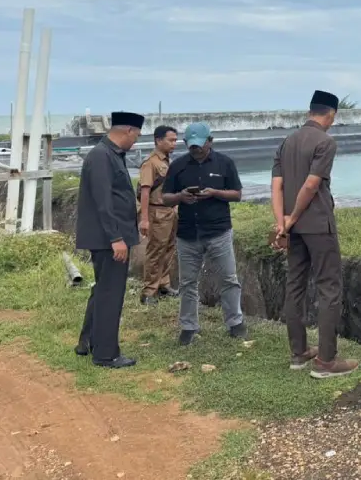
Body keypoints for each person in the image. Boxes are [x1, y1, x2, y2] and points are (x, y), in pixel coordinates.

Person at [271, 90, 359, 379]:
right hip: (318, 225)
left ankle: (298, 353)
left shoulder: (287, 141)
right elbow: (310, 186)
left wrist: (282, 223)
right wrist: (294, 216)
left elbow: (277, 187)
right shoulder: (326, 142)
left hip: (293, 228)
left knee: (295, 286)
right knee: (328, 288)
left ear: (310, 110)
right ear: (331, 114)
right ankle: (326, 360)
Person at [161, 122, 247, 346]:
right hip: (188, 233)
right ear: (185, 144)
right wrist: (181, 196)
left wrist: (215, 193)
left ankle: (235, 322)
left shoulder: (225, 163)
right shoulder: (178, 166)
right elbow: (165, 197)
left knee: (229, 278)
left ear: (210, 141)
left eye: (199, 145)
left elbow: (237, 194)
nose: (196, 149)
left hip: (218, 231)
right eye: (191, 146)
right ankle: (188, 326)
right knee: (188, 282)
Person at [74, 111, 144, 369]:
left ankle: (87, 342)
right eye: (136, 135)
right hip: (109, 239)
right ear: (127, 130)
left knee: (102, 290)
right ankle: (105, 354)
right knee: (111, 294)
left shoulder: (108, 154)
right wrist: (116, 238)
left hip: (107, 236)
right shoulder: (102, 157)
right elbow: (104, 202)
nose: (136, 141)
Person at [138, 125, 179, 305]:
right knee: (155, 250)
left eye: (175, 140)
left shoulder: (167, 161)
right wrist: (145, 219)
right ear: (158, 140)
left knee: (169, 248)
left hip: (170, 211)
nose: (174, 144)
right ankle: (149, 291)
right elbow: (145, 191)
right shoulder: (151, 162)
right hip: (157, 211)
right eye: (170, 140)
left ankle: (164, 284)